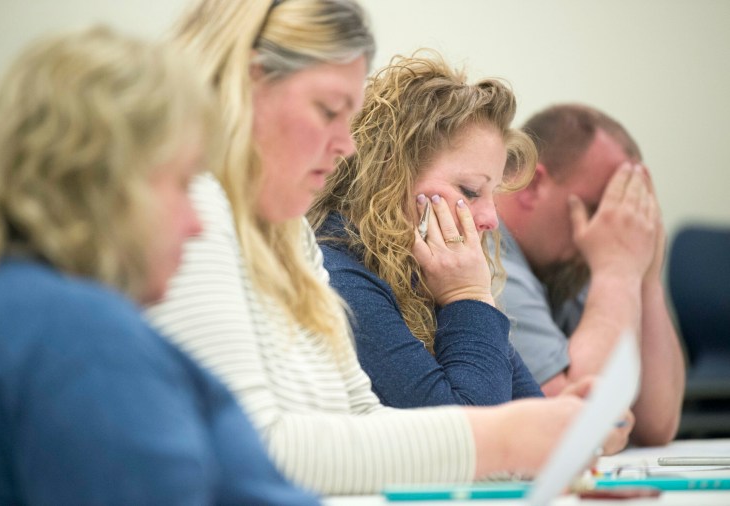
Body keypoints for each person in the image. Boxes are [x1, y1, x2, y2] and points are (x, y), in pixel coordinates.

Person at [147, 0, 601, 496]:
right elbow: (256, 449)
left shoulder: (291, 235)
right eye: (327, 111)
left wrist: (539, 433)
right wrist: (502, 437)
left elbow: (362, 418)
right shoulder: (195, 213)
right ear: (250, 87)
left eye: (351, 116)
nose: (346, 143)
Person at [0, 26, 318, 505]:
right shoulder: (80, 337)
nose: (196, 224)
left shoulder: (15, 308)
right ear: (104, 183)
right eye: (183, 183)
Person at [307, 53, 543, 408]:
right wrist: (468, 296)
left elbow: (533, 418)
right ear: (391, 176)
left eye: (492, 195)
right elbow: (470, 440)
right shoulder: (338, 278)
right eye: (469, 191)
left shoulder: (420, 275)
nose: (491, 219)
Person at [495, 103, 686, 446]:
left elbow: (656, 425)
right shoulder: (489, 262)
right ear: (534, 184)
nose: (616, 227)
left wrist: (645, 277)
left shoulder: (571, 260)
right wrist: (617, 272)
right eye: (600, 208)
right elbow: (575, 430)